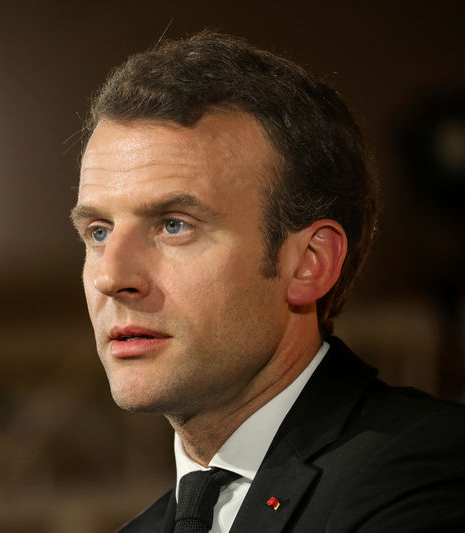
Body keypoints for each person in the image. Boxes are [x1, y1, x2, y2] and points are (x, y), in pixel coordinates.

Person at [70, 31, 465, 532]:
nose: (111, 276)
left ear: (309, 263)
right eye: (98, 232)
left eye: (174, 225)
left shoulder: (430, 474)